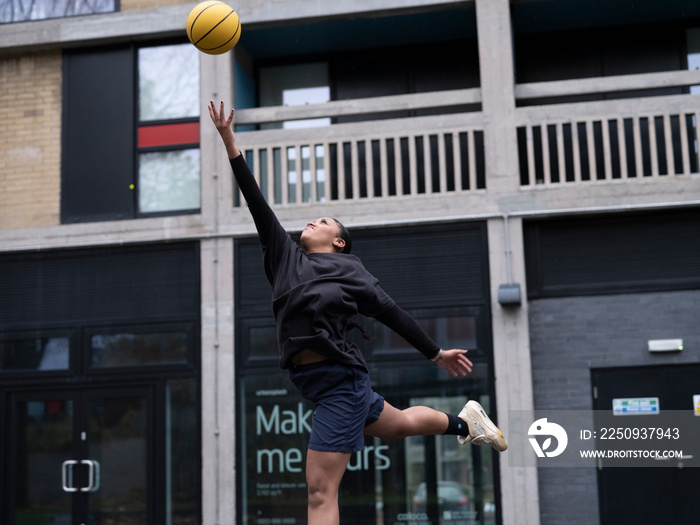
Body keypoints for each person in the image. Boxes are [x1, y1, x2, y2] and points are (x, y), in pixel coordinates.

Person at [209, 101, 507, 525]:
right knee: (400, 424)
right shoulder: (283, 257)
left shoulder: (352, 273)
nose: (312, 221)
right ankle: (466, 423)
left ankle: (464, 423)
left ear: (339, 243)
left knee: (319, 490)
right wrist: (229, 141)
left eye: (324, 220)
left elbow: (391, 313)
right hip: (318, 381)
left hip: (339, 383)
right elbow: (256, 202)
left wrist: (435, 353)